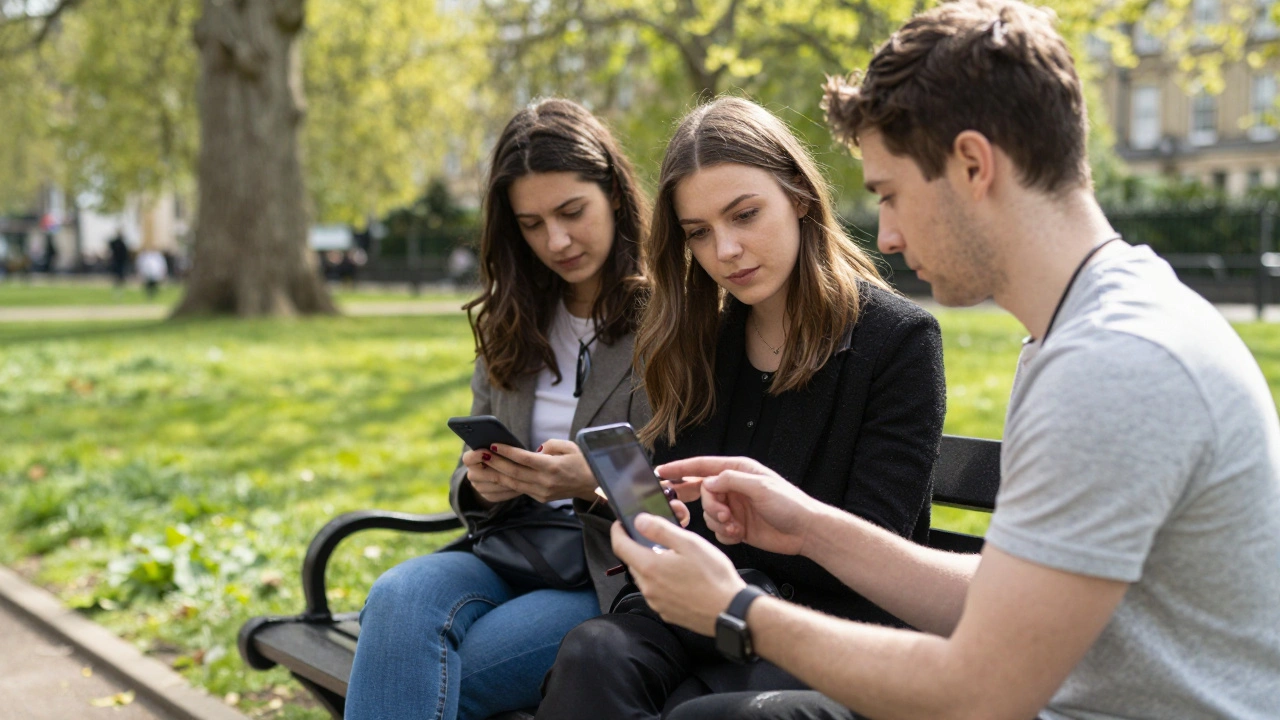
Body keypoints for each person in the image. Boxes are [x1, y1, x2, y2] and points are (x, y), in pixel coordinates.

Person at [605, 2, 1280, 719]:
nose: (886, 237)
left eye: (891, 194)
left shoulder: (1117, 363)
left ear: (972, 165)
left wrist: (737, 609)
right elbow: (1002, 598)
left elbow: (980, 691)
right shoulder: (1080, 333)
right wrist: (808, 524)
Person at [535, 97, 947, 719]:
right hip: (698, 614)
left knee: (705, 709)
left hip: (824, 630)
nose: (725, 250)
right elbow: (677, 512)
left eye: (745, 214)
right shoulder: (700, 339)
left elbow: (877, 547)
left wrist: (741, 581)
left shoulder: (897, 342)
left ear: (800, 197)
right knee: (594, 651)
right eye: (699, 233)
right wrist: (649, 521)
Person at [345, 98, 654, 720]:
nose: (556, 241)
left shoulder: (670, 321)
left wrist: (590, 482)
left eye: (572, 212)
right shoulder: (512, 320)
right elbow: (467, 472)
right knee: (399, 594)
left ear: (615, 194)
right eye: (532, 224)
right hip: (509, 546)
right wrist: (484, 481)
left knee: (428, 677)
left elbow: (688, 482)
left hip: (609, 569)